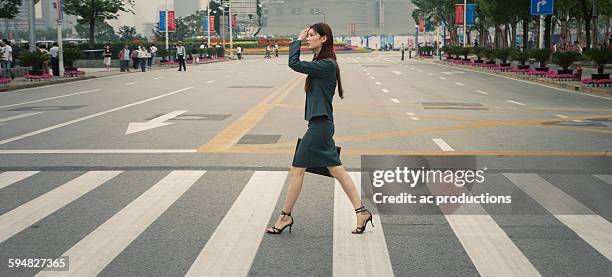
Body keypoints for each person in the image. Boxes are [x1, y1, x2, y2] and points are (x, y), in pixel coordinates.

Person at [265, 23, 373, 235]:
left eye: (312, 35)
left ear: (324, 39)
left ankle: (285, 216)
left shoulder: (326, 65)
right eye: (307, 35)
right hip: (321, 124)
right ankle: (361, 212)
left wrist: (296, 39)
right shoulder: (321, 62)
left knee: (298, 169)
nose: (308, 38)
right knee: (336, 170)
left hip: (320, 126)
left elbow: (293, 63)